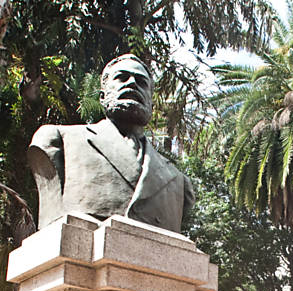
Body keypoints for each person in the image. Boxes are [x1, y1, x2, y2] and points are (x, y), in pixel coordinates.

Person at [28, 54, 194, 233]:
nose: (132, 83)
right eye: (122, 77)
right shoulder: (58, 140)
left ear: (151, 103)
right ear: (102, 96)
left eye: (141, 82)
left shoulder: (178, 181)